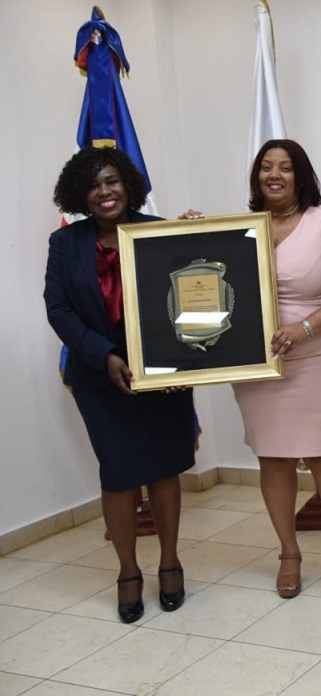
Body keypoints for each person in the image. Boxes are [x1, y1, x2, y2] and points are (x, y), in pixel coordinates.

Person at [44, 147, 194, 623]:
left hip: (162, 378)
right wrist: (104, 355)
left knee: (165, 469)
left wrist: (199, 235)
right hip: (99, 379)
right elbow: (58, 309)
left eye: (111, 180)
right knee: (119, 474)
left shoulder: (159, 230)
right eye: (93, 184)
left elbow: (189, 294)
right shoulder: (65, 244)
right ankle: (128, 570)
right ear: (80, 195)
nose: (104, 191)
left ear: (127, 184)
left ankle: (170, 560)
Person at [233, 139, 321, 599]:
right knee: (272, 457)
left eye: (285, 167)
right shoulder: (241, 228)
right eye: (266, 167)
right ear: (257, 177)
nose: (275, 174)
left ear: (301, 175)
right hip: (259, 362)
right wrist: (196, 232)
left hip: (319, 356)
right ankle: (288, 553)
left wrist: (305, 328)